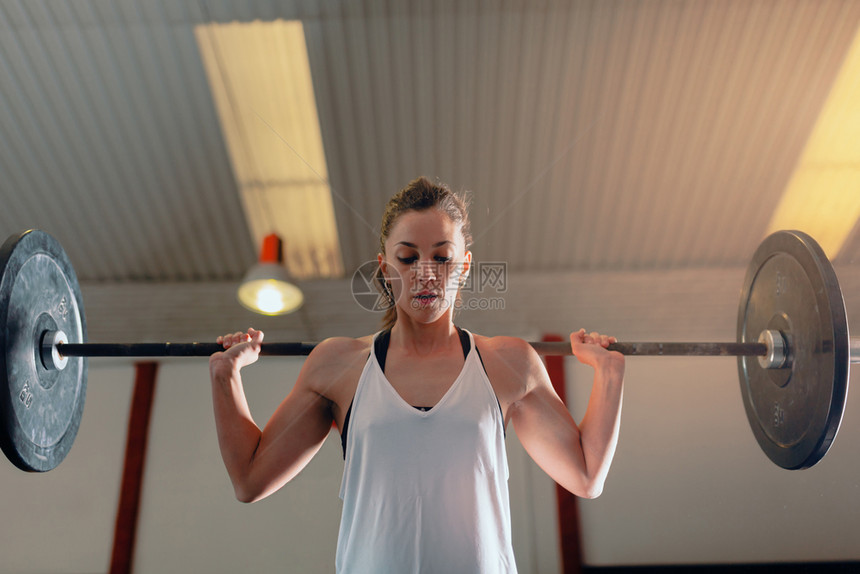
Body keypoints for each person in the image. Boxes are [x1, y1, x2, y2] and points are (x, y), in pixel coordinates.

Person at [209, 177, 625, 573]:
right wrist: (225, 377)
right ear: (385, 268)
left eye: (442, 257)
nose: (425, 272)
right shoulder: (338, 364)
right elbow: (250, 479)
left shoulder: (509, 364)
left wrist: (608, 372)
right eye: (407, 258)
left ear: (463, 266)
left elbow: (586, 476)